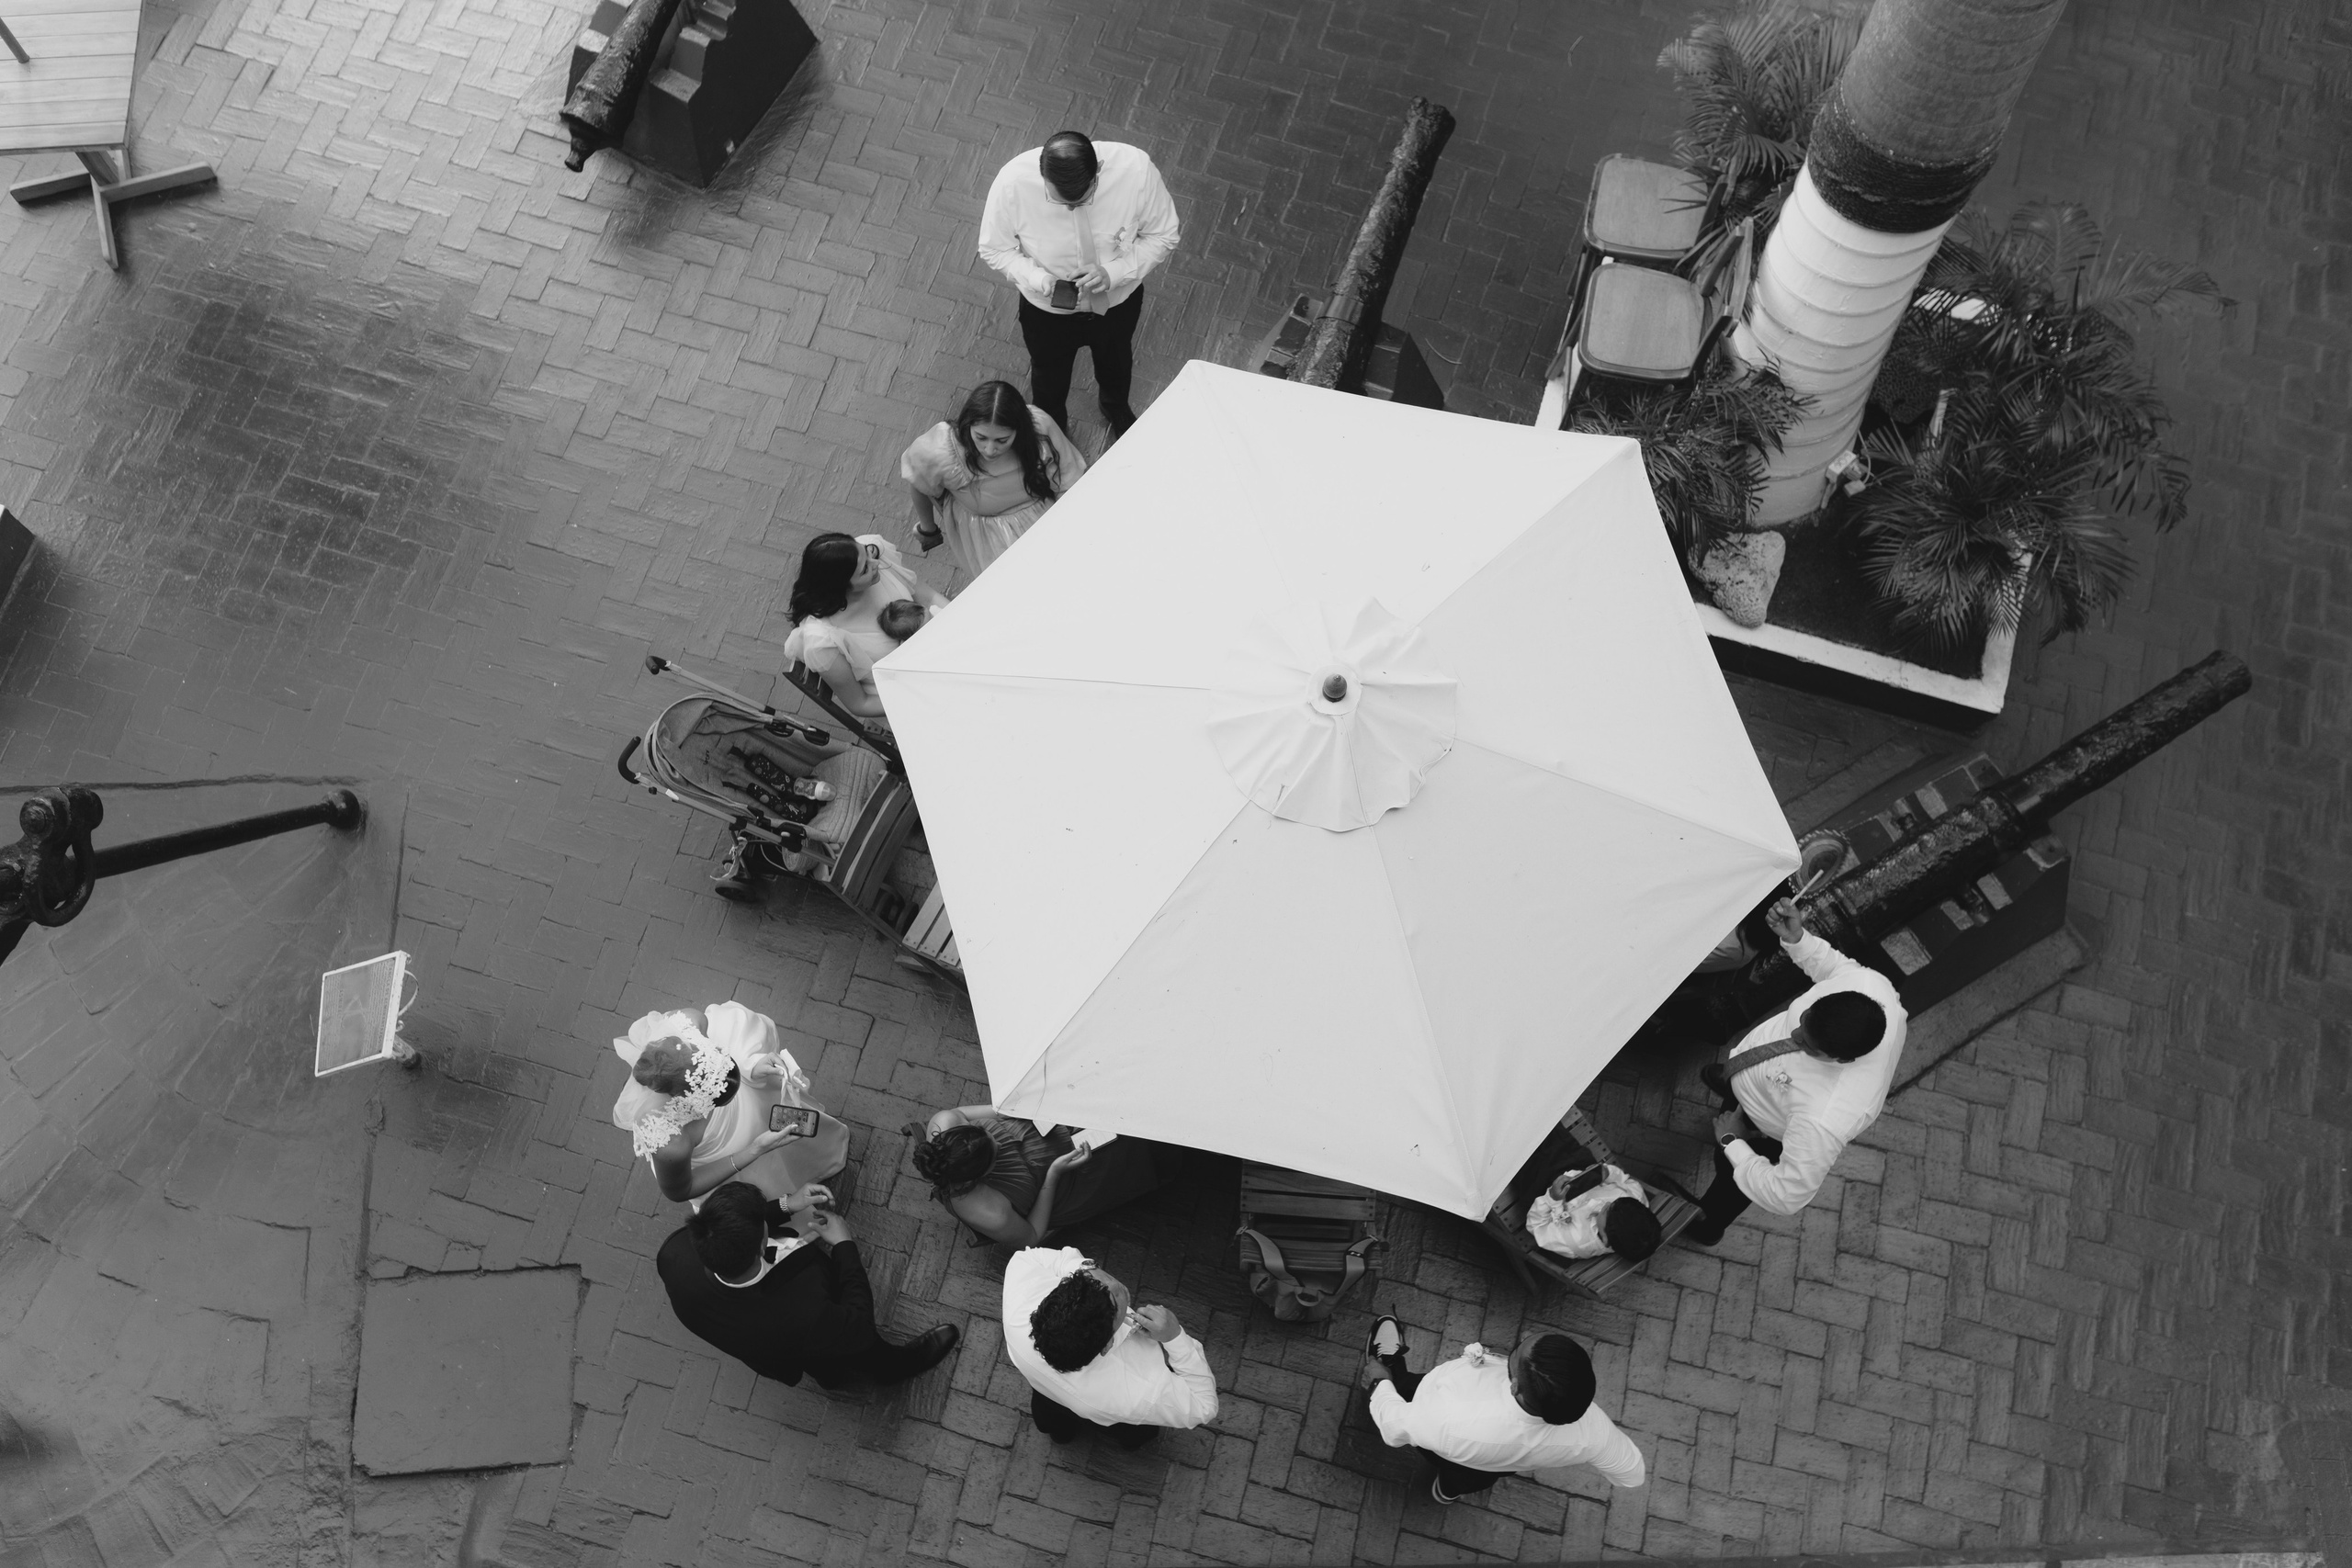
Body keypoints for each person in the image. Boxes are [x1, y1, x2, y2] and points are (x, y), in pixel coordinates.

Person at [1685, 896, 1908, 1246]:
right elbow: (1834, 967)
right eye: (1803, 1021)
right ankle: (1732, 1079)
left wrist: (1733, 1142)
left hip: (1761, 1134)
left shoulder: (1823, 1119)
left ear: (1842, 1061)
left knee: (1729, 1180)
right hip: (1756, 1084)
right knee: (1735, 1087)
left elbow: (1786, 1195)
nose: (1794, 1036)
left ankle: (1708, 1223)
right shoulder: (1868, 987)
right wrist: (1798, 939)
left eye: (1806, 1045)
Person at [977, 130, 1180, 442]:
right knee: (1048, 378)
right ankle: (1052, 431)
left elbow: (1163, 235)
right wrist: (1037, 278)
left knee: (1116, 363)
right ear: (1043, 176)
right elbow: (994, 248)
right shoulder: (1012, 184)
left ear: (1097, 174)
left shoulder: (1136, 171)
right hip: (1047, 312)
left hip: (1117, 304)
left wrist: (1114, 272)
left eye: (1082, 200)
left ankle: (1115, 407)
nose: (1072, 208)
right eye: (1059, 200)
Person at [657, 1182, 958, 1389]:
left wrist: (788, 1204)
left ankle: (830, 1377)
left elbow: (737, 1225)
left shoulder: (675, 1253)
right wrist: (843, 1245)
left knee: (819, 1361)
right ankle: (893, 1369)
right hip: (795, 1329)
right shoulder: (804, 1310)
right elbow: (858, 1324)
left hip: (763, 1345)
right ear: (761, 1247)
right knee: (852, 1345)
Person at [1360, 1319, 1646, 1504]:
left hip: (1447, 1438)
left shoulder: (1450, 1419)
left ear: (1515, 1387)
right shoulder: (1593, 1429)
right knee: (1469, 1479)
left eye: (1515, 1353)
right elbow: (1632, 1472)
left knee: (1404, 1391)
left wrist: (1379, 1383)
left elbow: (1395, 1426)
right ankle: (1448, 1492)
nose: (1522, 1337)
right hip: (1493, 1463)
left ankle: (1390, 1370)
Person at [610, 1002, 849, 1204]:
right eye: (716, 1102)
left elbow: (731, 1040)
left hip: (756, 1103)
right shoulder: (667, 1138)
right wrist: (755, 1150)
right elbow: (681, 1190)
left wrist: (751, 1066)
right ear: (690, 1101)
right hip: (723, 1155)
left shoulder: (690, 1023)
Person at [1002, 1247, 1217, 1447]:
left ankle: (1060, 1434)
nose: (1113, 1283)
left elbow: (1030, 1257)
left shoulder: (1020, 1308)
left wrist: (1087, 1269)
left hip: (1042, 1386)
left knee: (1051, 1417)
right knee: (1134, 1435)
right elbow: (1204, 1406)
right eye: (1116, 1299)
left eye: (1092, 1282)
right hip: (1107, 1409)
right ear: (1107, 1346)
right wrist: (1174, 1336)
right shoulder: (1140, 1394)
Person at [907, 1105, 1184, 1247]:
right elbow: (1031, 1236)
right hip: (1064, 1182)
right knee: (1139, 1144)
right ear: (978, 1178)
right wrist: (1054, 1174)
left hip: (1047, 1126)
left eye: (990, 1135)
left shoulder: (947, 1121)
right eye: (997, 1152)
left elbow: (1001, 1112)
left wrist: (1038, 1109)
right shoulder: (990, 1212)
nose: (1001, 1142)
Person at [899, 381, 1088, 581]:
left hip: (1045, 520)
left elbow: (1069, 478)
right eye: (981, 437)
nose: (990, 450)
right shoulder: (940, 449)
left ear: (1019, 430)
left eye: (1002, 440)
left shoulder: (1040, 428)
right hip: (987, 539)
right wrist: (928, 529)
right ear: (968, 424)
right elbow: (919, 482)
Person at [781, 533, 948, 723]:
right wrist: (933, 694)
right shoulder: (822, 642)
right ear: (840, 587)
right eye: (865, 570)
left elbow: (928, 597)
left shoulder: (865, 557)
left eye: (867, 553)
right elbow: (861, 704)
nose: (875, 563)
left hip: (941, 654)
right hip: (910, 698)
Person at [1523, 1163, 1662, 1263]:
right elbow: (1625, 1181)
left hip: (1542, 1184)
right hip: (1580, 1166)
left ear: (1605, 1239)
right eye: (1613, 1202)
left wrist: (1552, 1199)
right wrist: (1608, 1172)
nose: (1606, 1204)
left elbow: (1536, 1225)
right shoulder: (1636, 1200)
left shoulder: (1575, 1243)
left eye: (1606, 1210)